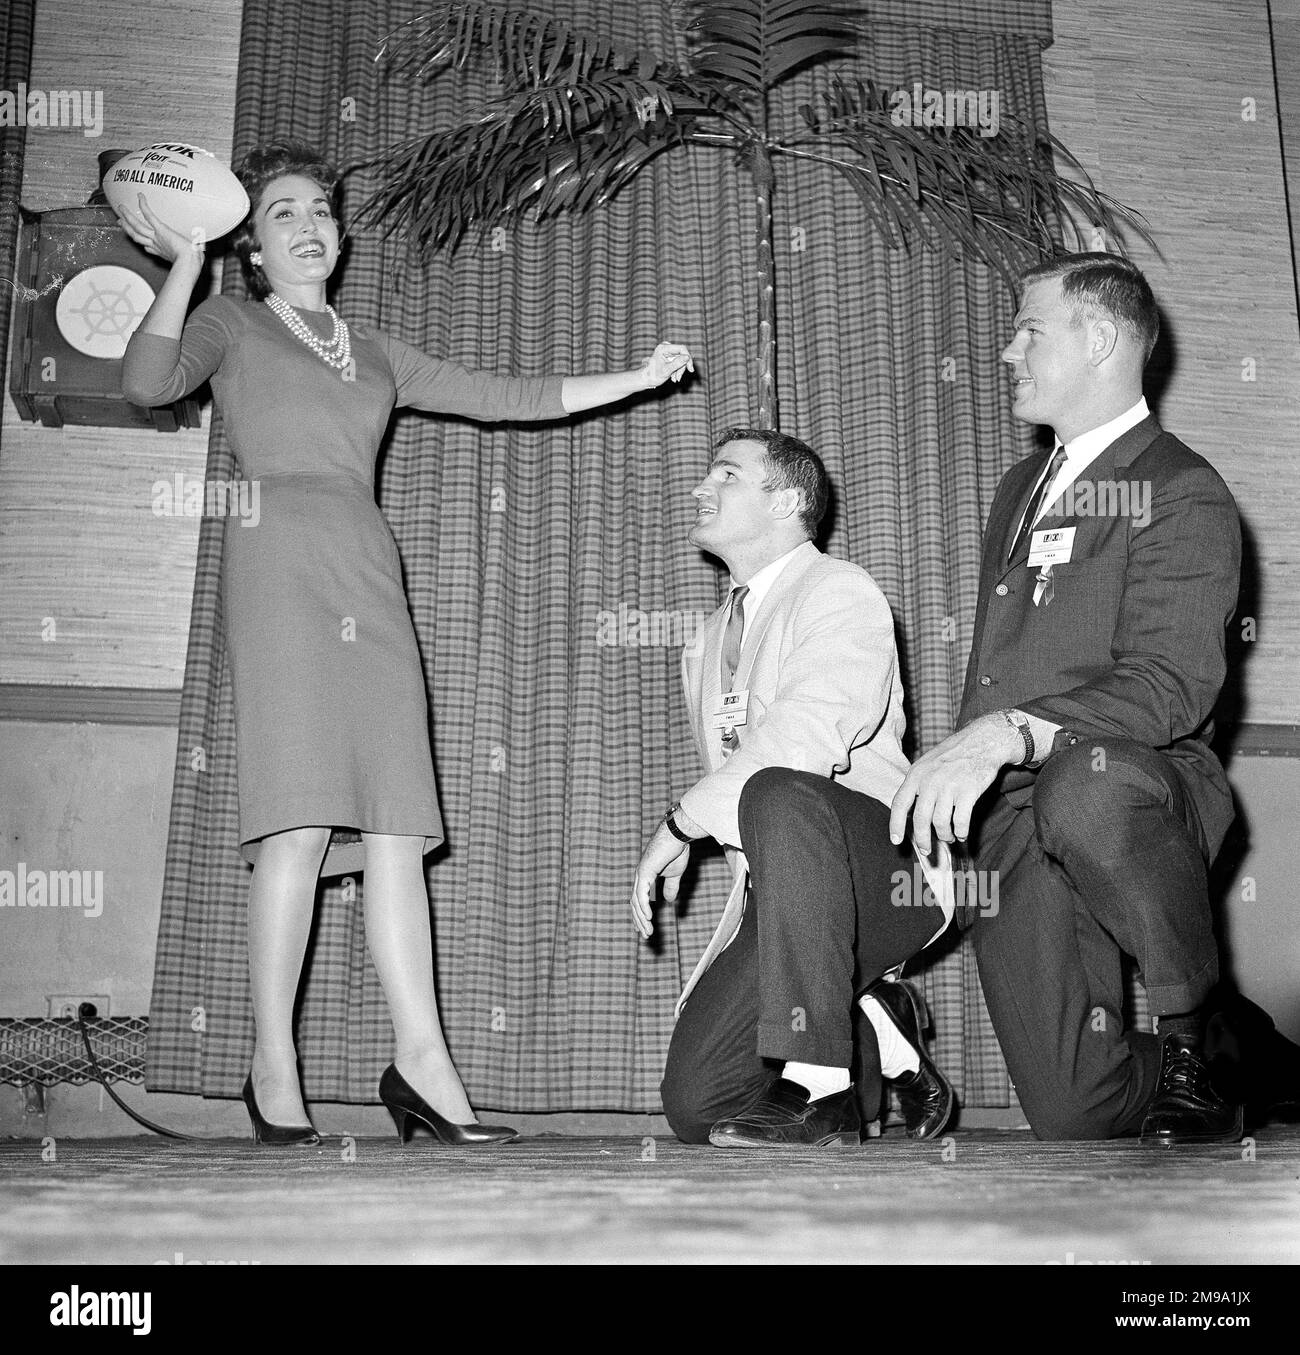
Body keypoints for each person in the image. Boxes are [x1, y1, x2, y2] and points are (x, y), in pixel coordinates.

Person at [118, 138, 693, 1147]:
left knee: (397, 827)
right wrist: (183, 256)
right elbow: (147, 380)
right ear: (251, 242)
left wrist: (637, 379)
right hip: (279, 563)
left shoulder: (375, 351)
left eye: (322, 211)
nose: (310, 225)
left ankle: (424, 1064)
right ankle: (273, 1064)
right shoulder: (229, 320)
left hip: (369, 571)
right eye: (285, 211)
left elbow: (508, 395)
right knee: (296, 824)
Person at [889, 251, 1247, 1143]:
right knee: (1074, 1109)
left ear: (1099, 339)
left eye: (1029, 330)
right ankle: (1253, 1059)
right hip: (1012, 815)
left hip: (1132, 788)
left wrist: (1012, 732)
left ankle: (1197, 1029)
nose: (1008, 351)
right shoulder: (1019, 489)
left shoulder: (1181, 489)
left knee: (1081, 780)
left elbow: (1172, 687)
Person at [630, 428, 955, 1147]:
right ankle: (878, 1025)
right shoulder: (707, 639)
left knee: (780, 786)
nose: (699, 487)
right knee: (696, 1102)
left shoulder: (842, 591)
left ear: (787, 500)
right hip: (792, 899)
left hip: (885, 874)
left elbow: (802, 743)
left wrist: (683, 823)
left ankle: (823, 1090)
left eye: (725, 474)